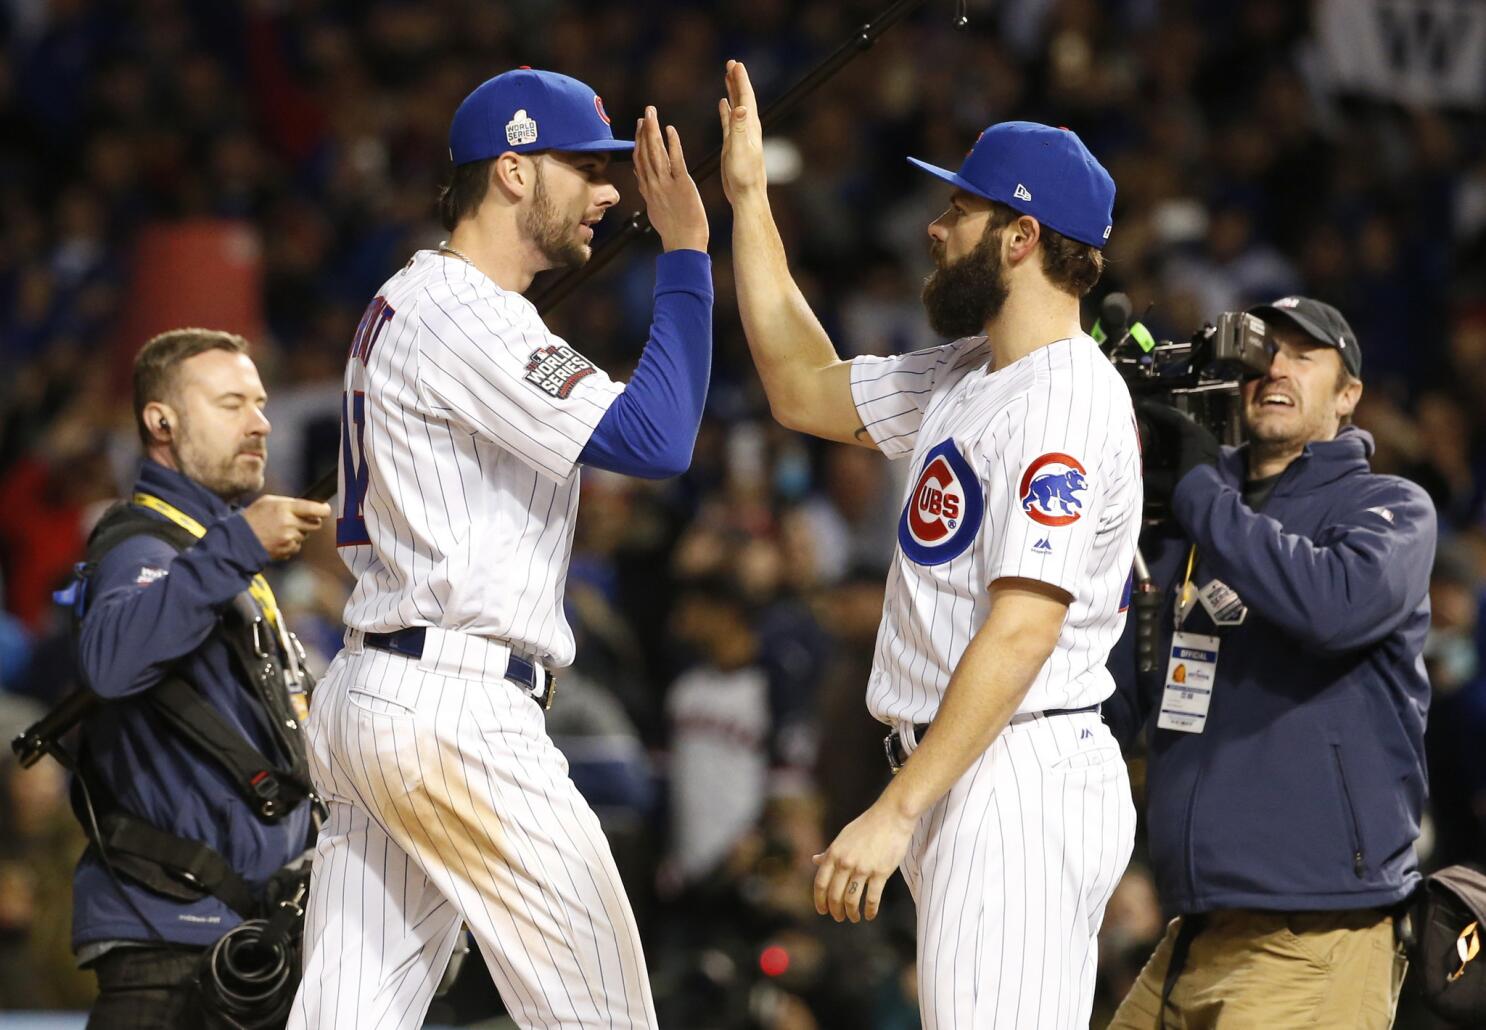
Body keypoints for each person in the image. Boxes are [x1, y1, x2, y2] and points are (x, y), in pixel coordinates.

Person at [718, 60, 1141, 1027]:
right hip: (974, 768)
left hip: (1014, 774)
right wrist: (749, 201)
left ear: (1022, 236)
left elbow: (1024, 631)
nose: (935, 227)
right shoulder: (972, 371)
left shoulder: (1063, 399)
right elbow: (801, 387)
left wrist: (897, 809)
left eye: (961, 208)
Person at [291, 68, 712, 1029]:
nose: (611, 192)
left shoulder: (411, 301)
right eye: (585, 166)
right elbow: (658, 440)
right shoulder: (464, 309)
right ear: (513, 172)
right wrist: (687, 252)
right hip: (455, 712)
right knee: (606, 1015)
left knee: (347, 1016)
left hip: (379, 694)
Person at [1103, 297, 1434, 1028]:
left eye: (1302, 355)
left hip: (1317, 932)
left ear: (1348, 395)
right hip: (1195, 929)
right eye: (1260, 354)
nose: (1274, 367)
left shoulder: (1390, 507)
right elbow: (1116, 702)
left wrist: (1198, 493)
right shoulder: (1186, 524)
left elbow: (1331, 606)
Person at [67, 328, 330, 1028]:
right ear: (162, 421)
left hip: (246, 944)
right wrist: (240, 544)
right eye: (231, 403)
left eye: (262, 403)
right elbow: (111, 663)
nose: (260, 422)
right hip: (167, 954)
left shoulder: (222, 559)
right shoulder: (141, 545)